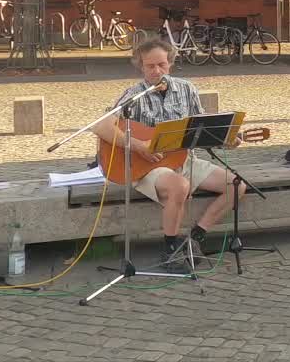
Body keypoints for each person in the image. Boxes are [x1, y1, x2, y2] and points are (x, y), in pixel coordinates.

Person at [94, 37, 246, 271]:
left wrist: (228, 140)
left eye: (162, 65)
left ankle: (195, 237)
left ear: (170, 63)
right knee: (179, 186)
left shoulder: (186, 88)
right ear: (141, 66)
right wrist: (137, 146)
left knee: (236, 185)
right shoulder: (133, 94)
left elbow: (201, 129)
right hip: (148, 166)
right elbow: (101, 126)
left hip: (184, 159)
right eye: (150, 66)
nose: (157, 71)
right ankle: (170, 249)